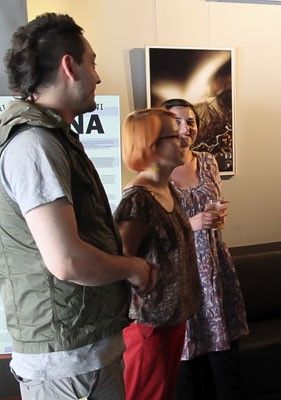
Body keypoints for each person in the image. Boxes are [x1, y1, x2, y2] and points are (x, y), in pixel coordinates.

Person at [0, 13, 154, 400]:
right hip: (68, 364)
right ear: (70, 66)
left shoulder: (50, 138)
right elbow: (67, 261)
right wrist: (132, 268)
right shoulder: (34, 145)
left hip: (80, 353)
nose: (98, 77)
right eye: (93, 63)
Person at [162, 99, 249, 400]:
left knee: (225, 356)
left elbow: (214, 204)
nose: (186, 128)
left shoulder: (208, 161)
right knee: (187, 357)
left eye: (191, 121)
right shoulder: (156, 170)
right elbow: (154, 232)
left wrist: (217, 217)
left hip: (214, 263)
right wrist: (192, 223)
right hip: (182, 270)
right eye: (177, 121)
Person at [115, 108, 201, 400]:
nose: (184, 137)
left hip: (173, 320)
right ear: (151, 146)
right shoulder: (138, 200)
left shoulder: (165, 188)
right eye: (174, 135)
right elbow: (120, 263)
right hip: (149, 327)